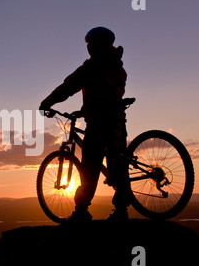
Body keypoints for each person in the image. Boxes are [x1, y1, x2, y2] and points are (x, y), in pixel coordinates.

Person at [39, 26, 131, 222]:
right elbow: (106, 93)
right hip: (117, 120)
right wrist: (86, 109)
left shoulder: (92, 67)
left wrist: (47, 103)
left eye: (89, 45)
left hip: (99, 122)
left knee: (90, 164)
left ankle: (81, 210)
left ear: (93, 46)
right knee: (118, 165)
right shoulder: (118, 67)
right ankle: (122, 210)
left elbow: (68, 87)